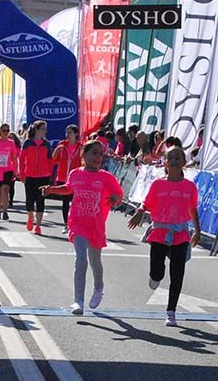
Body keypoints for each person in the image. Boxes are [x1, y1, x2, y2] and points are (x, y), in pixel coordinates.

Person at [41, 140, 123, 316]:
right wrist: (51, 190)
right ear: (83, 155)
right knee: (81, 259)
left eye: (101, 154)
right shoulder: (75, 174)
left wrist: (115, 199)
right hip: (77, 222)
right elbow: (69, 189)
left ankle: (99, 287)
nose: (98, 157)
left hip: (96, 224)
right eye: (94, 153)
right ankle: (78, 301)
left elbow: (118, 195)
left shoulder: (106, 177)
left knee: (95, 261)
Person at [127, 147, 201, 327]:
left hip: (180, 234)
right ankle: (155, 276)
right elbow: (147, 203)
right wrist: (140, 212)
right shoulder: (158, 184)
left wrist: (197, 231)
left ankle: (171, 311)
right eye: (170, 158)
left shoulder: (189, 186)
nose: (174, 161)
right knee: (157, 271)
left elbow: (192, 210)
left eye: (178, 158)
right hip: (160, 232)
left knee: (177, 273)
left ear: (184, 162)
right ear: (165, 163)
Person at [19, 120, 53, 235]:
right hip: (30, 175)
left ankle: (38, 226)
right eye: (43, 128)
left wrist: (51, 176)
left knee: (40, 201)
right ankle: (30, 217)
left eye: (46, 128)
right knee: (29, 200)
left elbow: (50, 161)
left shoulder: (46, 144)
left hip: (44, 176)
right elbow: (22, 159)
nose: (45, 131)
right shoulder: (28, 143)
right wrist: (22, 174)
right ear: (37, 130)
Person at [51, 124, 82, 234]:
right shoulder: (62, 144)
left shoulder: (80, 146)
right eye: (67, 132)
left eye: (70, 132)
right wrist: (57, 150)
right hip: (63, 177)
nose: (68, 135)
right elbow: (54, 159)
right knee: (65, 202)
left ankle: (74, 224)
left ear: (76, 134)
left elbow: (83, 161)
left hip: (76, 178)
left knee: (74, 202)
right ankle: (66, 224)